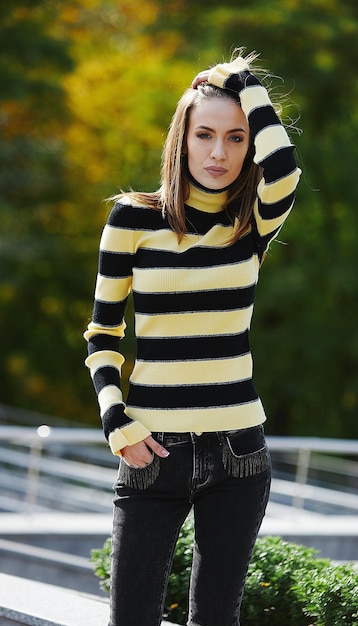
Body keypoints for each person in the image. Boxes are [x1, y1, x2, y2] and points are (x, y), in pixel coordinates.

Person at [84, 48, 301, 626]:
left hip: (239, 451)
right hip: (151, 449)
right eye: (205, 134)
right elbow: (103, 334)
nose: (219, 152)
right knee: (130, 616)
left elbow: (286, 166)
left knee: (215, 619)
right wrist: (116, 422)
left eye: (236, 138)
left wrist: (240, 79)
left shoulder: (252, 222)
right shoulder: (132, 219)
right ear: (182, 140)